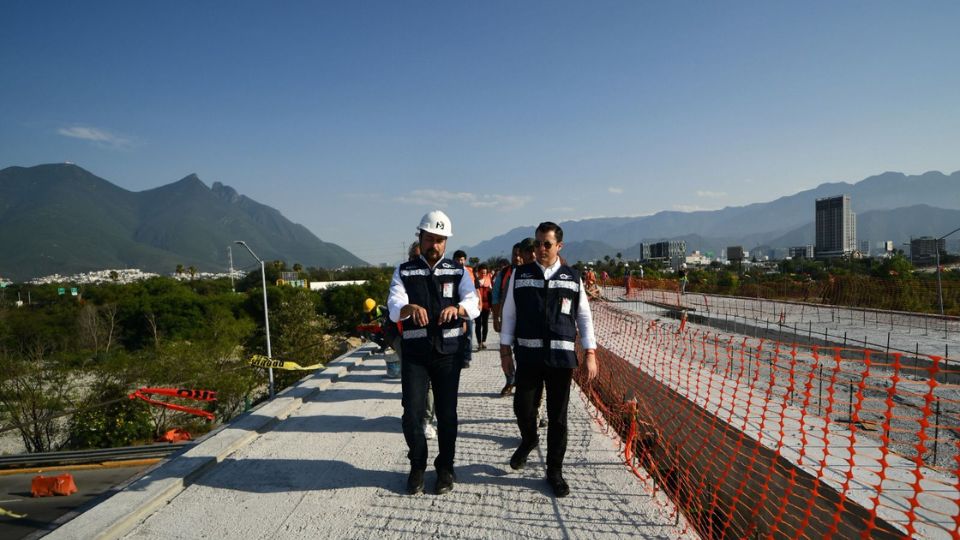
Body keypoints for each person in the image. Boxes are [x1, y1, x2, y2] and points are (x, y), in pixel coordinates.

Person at [499, 222, 598, 498]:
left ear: (559, 247)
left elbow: (584, 318)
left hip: (560, 359)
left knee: (558, 418)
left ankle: (554, 471)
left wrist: (590, 353)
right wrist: (505, 351)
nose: (540, 249)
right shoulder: (520, 275)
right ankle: (529, 439)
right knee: (523, 408)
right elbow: (509, 314)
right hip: (529, 356)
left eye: (547, 244)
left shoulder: (572, 277)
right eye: (537, 243)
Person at [388, 210, 479, 495]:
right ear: (421, 237)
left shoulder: (458, 271)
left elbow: (473, 301)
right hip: (415, 354)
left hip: (447, 355)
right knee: (412, 414)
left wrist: (460, 309)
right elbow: (393, 306)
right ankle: (417, 465)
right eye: (430, 238)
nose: (435, 245)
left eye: (440, 240)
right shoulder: (404, 271)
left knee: (448, 415)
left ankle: (445, 468)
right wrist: (407, 309)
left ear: (446, 242)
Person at [491, 244, 521, 396]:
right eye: (514, 254)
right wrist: (496, 318)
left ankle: (523, 383)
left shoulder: (533, 272)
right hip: (507, 321)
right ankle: (510, 380)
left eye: (520, 254)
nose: (517, 257)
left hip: (525, 323)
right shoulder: (504, 274)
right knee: (505, 353)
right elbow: (495, 296)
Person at [452, 250, 475, 368]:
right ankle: (456, 356)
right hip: (454, 308)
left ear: (465, 260)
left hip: (466, 308)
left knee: (468, 334)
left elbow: (473, 290)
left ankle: (466, 357)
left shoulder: (469, 272)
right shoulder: (450, 272)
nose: (460, 262)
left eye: (462, 259)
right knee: (456, 334)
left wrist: (478, 303)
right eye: (458, 259)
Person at [474, 263, 493, 350]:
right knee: (478, 324)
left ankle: (483, 341)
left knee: (485, 324)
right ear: (478, 272)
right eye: (482, 272)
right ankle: (479, 343)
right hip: (477, 305)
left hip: (486, 305)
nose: (483, 274)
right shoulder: (474, 280)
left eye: (485, 273)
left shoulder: (489, 280)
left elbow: (492, 293)